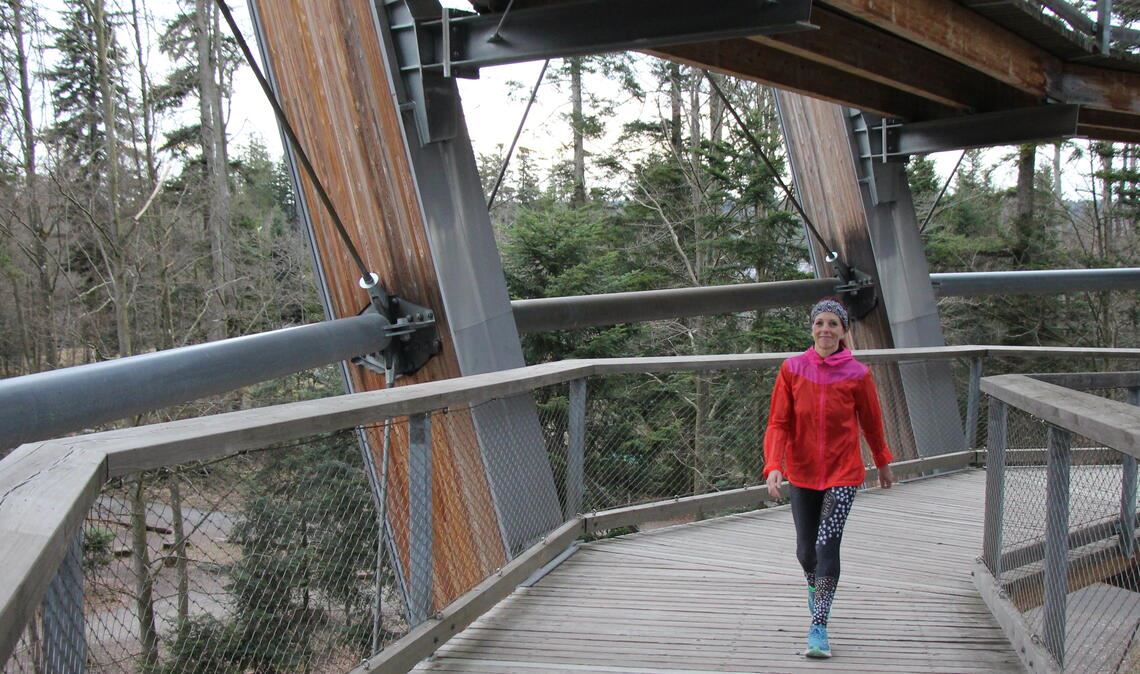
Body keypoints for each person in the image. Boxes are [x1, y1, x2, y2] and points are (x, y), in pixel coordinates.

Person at [762, 297, 895, 659]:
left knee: (826, 548)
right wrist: (774, 464)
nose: (825, 329)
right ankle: (815, 586)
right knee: (805, 552)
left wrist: (882, 461)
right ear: (811, 328)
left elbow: (872, 422)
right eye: (819, 323)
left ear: (843, 331)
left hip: (843, 473)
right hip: (802, 472)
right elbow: (778, 423)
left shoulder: (858, 374)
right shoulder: (792, 369)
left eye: (833, 324)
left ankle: (818, 626)